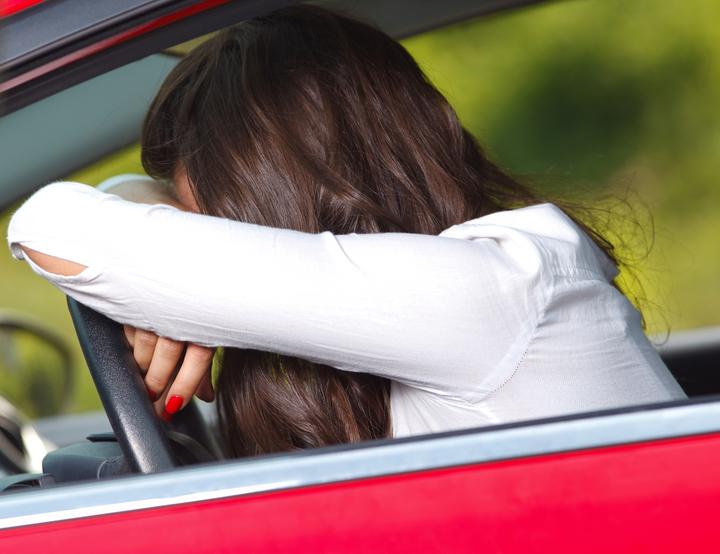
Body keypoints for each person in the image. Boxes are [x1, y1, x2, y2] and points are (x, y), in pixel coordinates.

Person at [7, 6, 685, 457]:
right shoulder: (485, 290)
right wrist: (151, 229)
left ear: (282, 198)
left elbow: (49, 223)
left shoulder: (488, 295)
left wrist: (159, 263)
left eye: (213, 223)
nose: (209, 239)